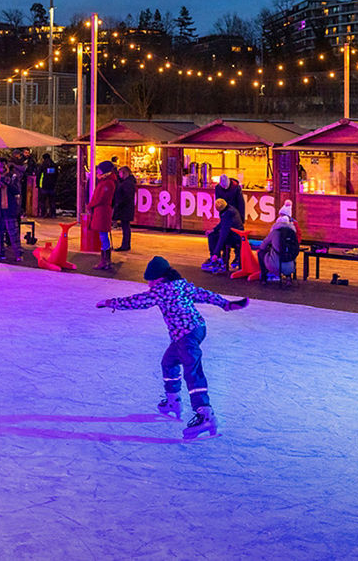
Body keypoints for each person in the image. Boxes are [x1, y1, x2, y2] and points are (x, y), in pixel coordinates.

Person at [96, 256, 248, 439]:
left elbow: (137, 301)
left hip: (186, 335)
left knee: (193, 371)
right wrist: (225, 304)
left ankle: (205, 414)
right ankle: (172, 401)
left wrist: (110, 302)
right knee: (169, 362)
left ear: (159, 279)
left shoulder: (160, 291)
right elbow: (204, 294)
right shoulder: (181, 285)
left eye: (150, 281)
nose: (149, 285)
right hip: (196, 329)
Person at [0, 159, 24, 261]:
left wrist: (9, 184)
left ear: (6, 166)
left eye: (3, 165)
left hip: (9, 209)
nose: (1, 167)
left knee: (13, 233)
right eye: (0, 165)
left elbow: (17, 191)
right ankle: (0, 253)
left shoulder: (13, 176)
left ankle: (18, 254)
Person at [85, 160, 118, 270]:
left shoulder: (107, 183)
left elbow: (100, 198)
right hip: (101, 210)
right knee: (102, 235)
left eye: (99, 169)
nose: (97, 171)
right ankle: (105, 259)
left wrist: (90, 205)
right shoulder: (106, 181)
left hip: (102, 211)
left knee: (103, 235)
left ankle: (105, 260)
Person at [202, 198, 243, 274]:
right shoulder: (228, 209)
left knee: (214, 237)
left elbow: (223, 234)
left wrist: (216, 252)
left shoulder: (229, 214)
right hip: (233, 233)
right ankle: (216, 258)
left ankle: (216, 258)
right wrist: (214, 230)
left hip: (235, 236)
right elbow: (222, 224)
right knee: (212, 235)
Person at [257, 208, 299, 280]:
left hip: (275, 266)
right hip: (291, 267)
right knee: (287, 252)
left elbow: (263, 246)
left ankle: (264, 277)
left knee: (261, 253)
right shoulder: (293, 233)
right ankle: (289, 278)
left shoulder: (275, 232)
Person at [112, 165, 137, 251]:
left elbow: (126, 196)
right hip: (126, 207)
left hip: (125, 207)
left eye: (120, 173)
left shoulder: (127, 183)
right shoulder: (128, 182)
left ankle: (125, 245)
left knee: (125, 227)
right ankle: (125, 244)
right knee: (125, 226)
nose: (119, 174)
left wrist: (119, 203)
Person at [36, 153, 58, 218]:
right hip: (52, 185)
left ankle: (43, 214)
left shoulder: (43, 165)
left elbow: (39, 175)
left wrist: (37, 184)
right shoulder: (54, 165)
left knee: (43, 201)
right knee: (52, 201)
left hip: (44, 185)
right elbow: (56, 175)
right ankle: (53, 214)